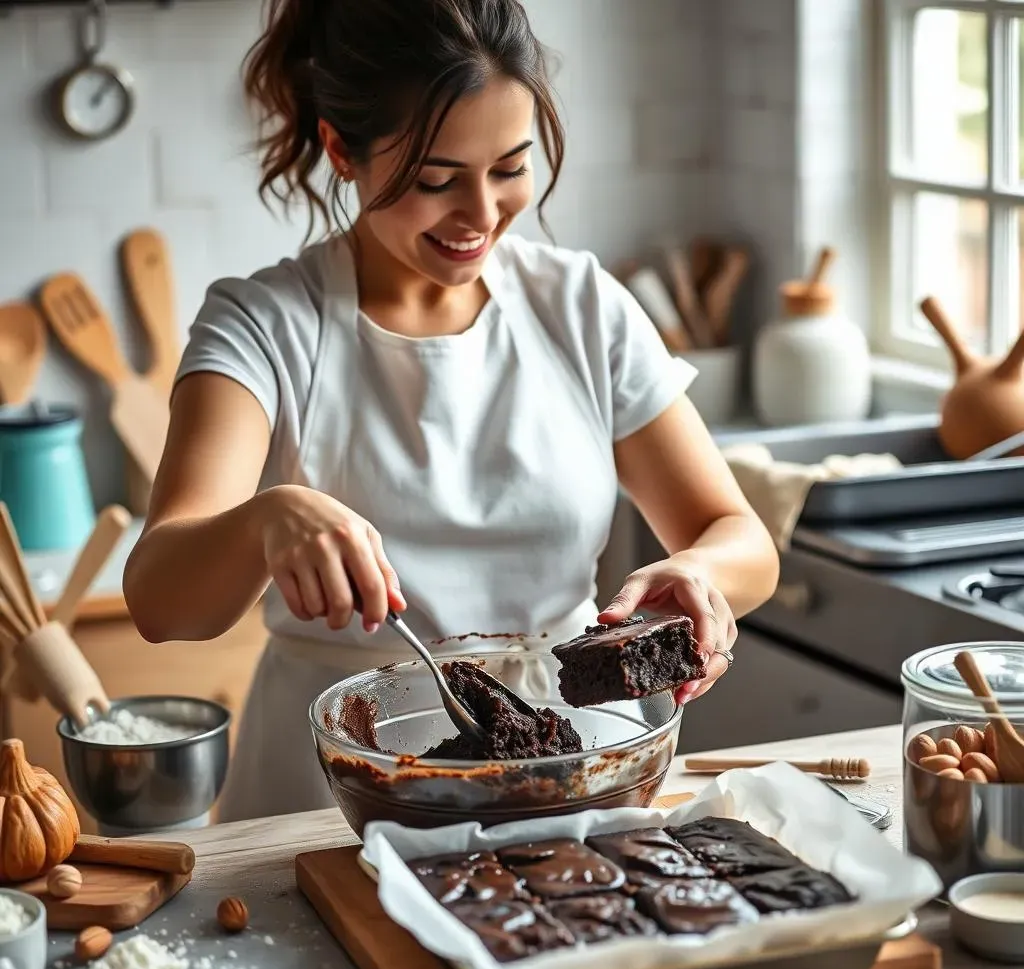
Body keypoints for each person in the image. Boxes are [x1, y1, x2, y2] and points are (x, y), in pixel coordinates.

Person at [123, 0, 779, 823]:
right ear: (341, 150)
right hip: (333, 799)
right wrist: (268, 519)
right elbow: (159, 601)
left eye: (510, 168)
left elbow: (740, 536)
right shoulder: (264, 326)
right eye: (436, 180)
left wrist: (702, 574)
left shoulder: (581, 307)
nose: (481, 215)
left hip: (572, 771)